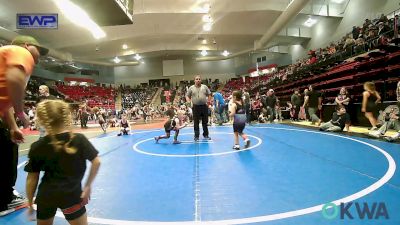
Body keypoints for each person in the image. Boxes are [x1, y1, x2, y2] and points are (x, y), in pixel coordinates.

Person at [24, 99, 101, 225]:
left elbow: (32, 178)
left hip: (46, 197)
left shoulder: (37, 146)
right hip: (72, 195)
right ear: (65, 117)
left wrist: (30, 202)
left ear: (42, 120)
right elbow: (96, 162)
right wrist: (87, 187)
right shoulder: (79, 140)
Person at [0, 35, 48, 216]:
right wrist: (21, 112)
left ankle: (5, 196)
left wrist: (13, 126)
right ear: (27, 45)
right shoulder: (21, 52)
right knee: (4, 156)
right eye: (38, 50)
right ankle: (2, 201)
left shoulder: (5, 58)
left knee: (8, 147)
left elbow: (5, 105)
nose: (39, 56)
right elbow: (14, 78)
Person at [186, 75, 212, 141]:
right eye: (196, 79)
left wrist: (208, 101)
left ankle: (206, 135)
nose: (198, 80)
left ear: (201, 80)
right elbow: (187, 95)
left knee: (205, 122)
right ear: (194, 80)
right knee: (196, 122)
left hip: (204, 106)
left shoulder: (204, 87)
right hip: (195, 107)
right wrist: (189, 102)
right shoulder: (191, 88)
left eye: (199, 79)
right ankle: (196, 136)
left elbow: (209, 94)